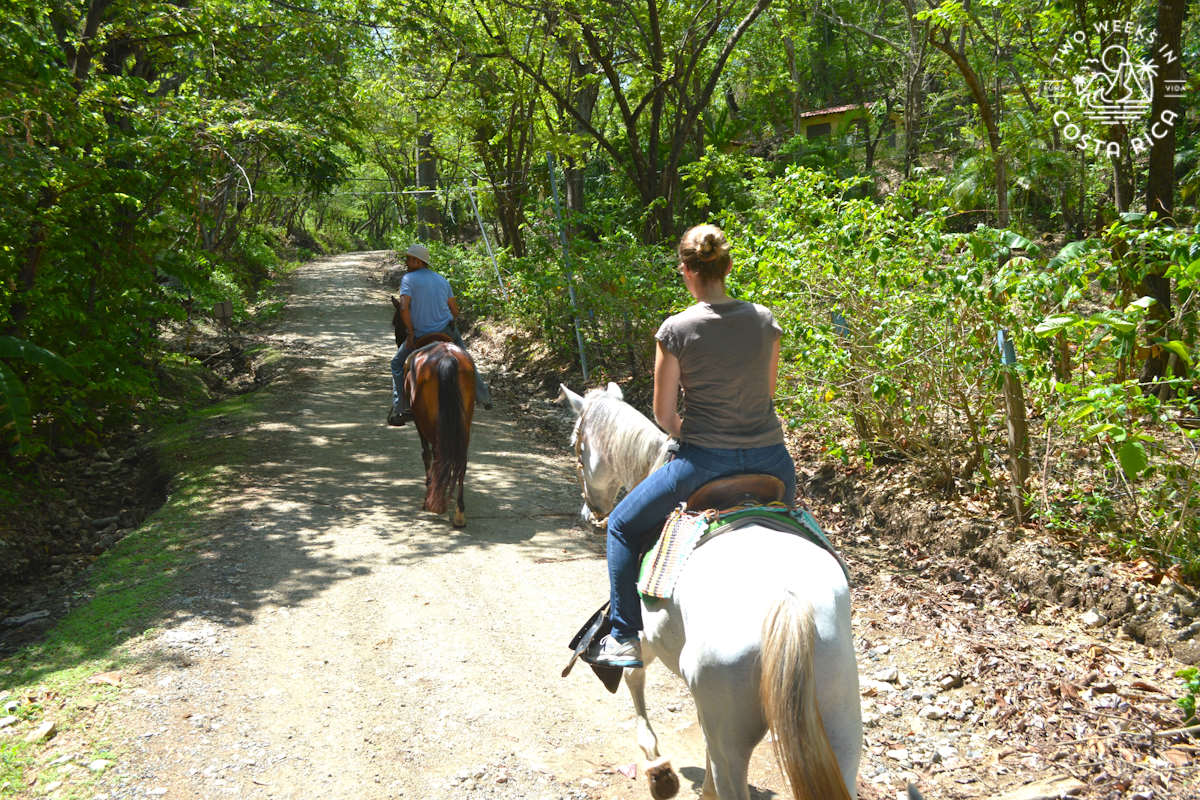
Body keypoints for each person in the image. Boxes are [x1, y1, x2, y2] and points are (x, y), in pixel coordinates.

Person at [583, 224, 796, 669]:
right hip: (773, 461)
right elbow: (768, 393)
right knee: (794, 535)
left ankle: (624, 636)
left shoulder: (676, 330)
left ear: (686, 270)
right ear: (728, 267)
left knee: (620, 525)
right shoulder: (764, 320)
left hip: (703, 463)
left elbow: (664, 416)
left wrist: (696, 434)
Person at [388, 243, 492, 425]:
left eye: (409, 259)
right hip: (446, 330)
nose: (406, 262)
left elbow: (403, 308)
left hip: (421, 333)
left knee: (396, 364)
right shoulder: (442, 280)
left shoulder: (408, 279)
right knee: (466, 358)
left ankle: (400, 407)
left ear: (417, 261)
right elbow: (455, 310)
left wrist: (411, 333)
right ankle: (483, 396)